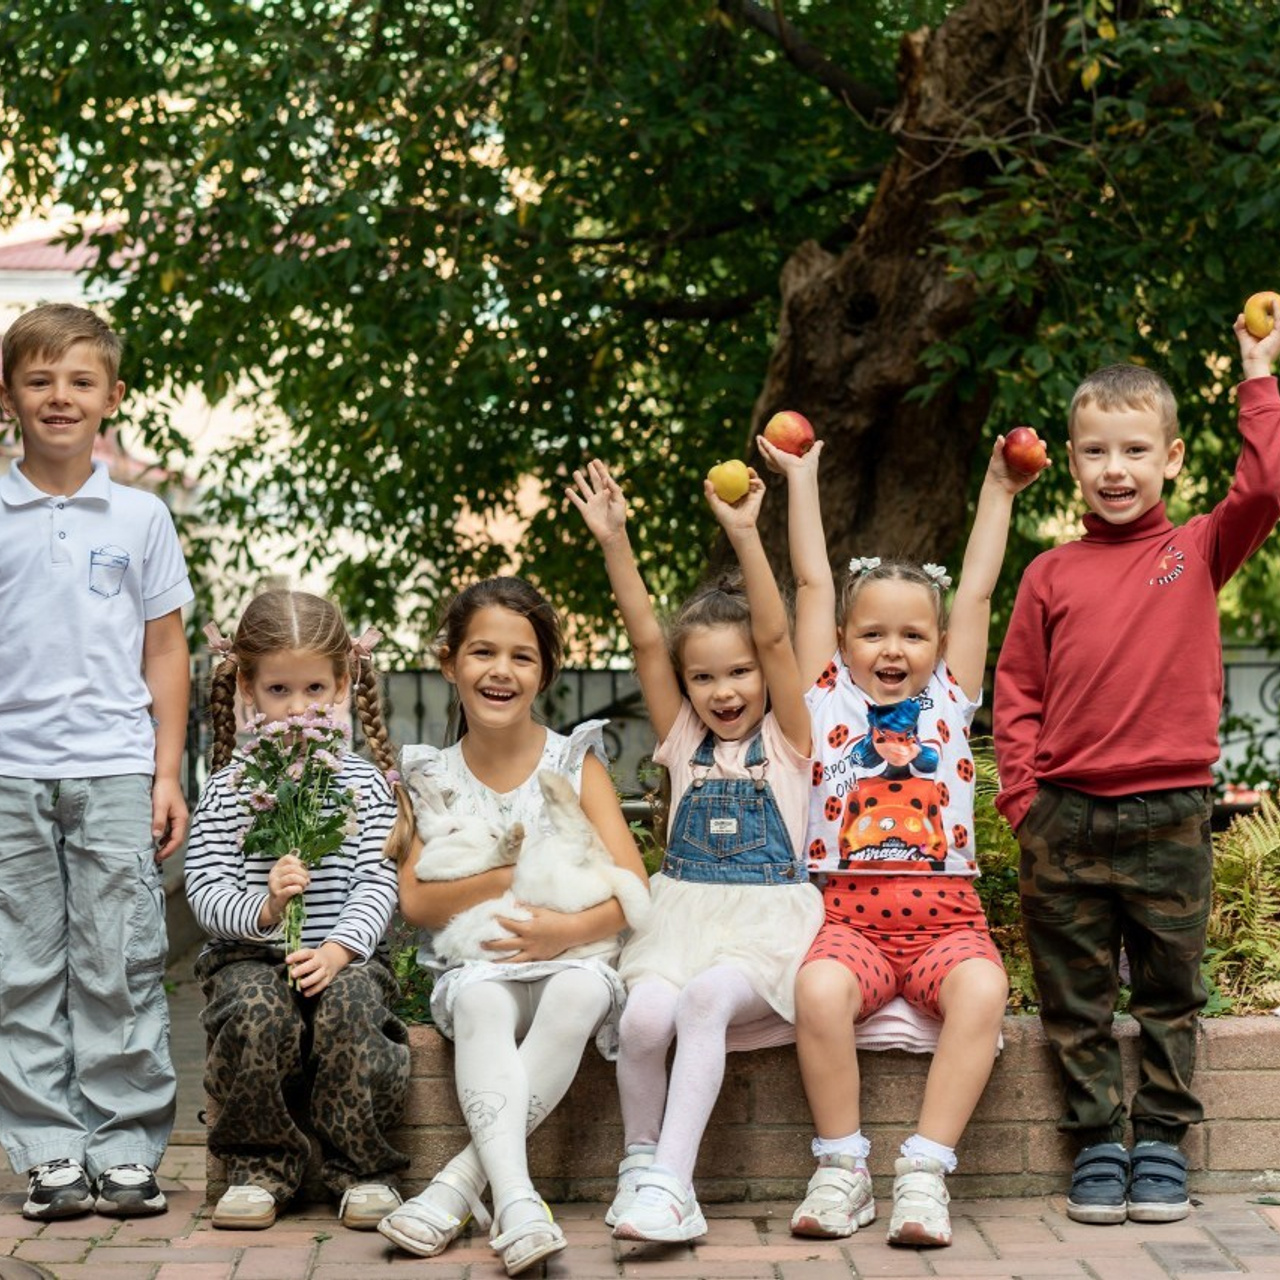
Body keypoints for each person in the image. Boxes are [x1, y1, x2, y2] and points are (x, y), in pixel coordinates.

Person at [994, 309, 1280, 1226]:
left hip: (1170, 815)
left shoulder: (1194, 550)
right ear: (1073, 463)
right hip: (1065, 817)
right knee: (1073, 998)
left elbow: (1267, 486)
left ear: (1172, 458)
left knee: (1170, 992)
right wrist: (1022, 800)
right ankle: (1096, 1144)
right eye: (1095, 452)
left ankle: (1159, 1142)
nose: (1115, 469)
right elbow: (1017, 690)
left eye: (1134, 450)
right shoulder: (1049, 574)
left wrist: (1258, 374)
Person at [777, 430, 1039, 1248]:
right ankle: (842, 1167)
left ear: (938, 647)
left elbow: (977, 591)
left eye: (913, 636)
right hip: (846, 919)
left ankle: (925, 1170)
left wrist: (998, 488)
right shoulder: (824, 695)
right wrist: (801, 480)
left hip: (946, 920)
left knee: (983, 991)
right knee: (818, 991)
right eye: (873, 634)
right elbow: (813, 581)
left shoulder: (953, 696)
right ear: (843, 643)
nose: (893, 649)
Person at [569, 459, 824, 1244]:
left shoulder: (790, 740)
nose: (724, 691)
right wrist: (615, 542)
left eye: (740, 672)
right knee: (646, 1017)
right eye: (705, 677)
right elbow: (648, 639)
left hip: (763, 929)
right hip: (680, 919)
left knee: (705, 1000)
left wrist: (745, 533)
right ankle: (641, 1162)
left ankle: (674, 1189)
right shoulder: (684, 740)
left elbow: (776, 634)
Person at [377, 576, 648, 1277]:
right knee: (479, 1006)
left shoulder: (573, 764)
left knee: (580, 993)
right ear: (449, 662)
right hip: (480, 963)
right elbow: (418, 903)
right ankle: (519, 1202)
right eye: (483, 652)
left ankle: (464, 1186)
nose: (501, 671)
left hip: (573, 958)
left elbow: (632, 890)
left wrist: (563, 933)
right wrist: (512, 875)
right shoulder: (431, 774)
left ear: (545, 672)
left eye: (522, 657)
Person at [0, 303, 192, 1221]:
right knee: (22, 969)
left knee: (118, 959)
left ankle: (123, 1150)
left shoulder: (141, 515)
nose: (60, 397)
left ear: (112, 396)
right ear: (7, 397)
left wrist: (167, 772)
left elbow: (166, 648)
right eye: (39, 380)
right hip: (9, 772)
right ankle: (48, 1153)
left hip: (116, 767)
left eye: (81, 381)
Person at [185, 589, 410, 1232]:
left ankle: (362, 1170)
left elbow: (377, 881)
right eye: (279, 690)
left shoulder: (363, 784)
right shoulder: (229, 787)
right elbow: (203, 888)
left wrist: (340, 950)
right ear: (248, 689)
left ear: (342, 685)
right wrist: (264, 907)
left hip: (344, 955)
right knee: (255, 1009)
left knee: (355, 1007)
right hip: (251, 957)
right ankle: (258, 1168)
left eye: (314, 689)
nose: (297, 707)